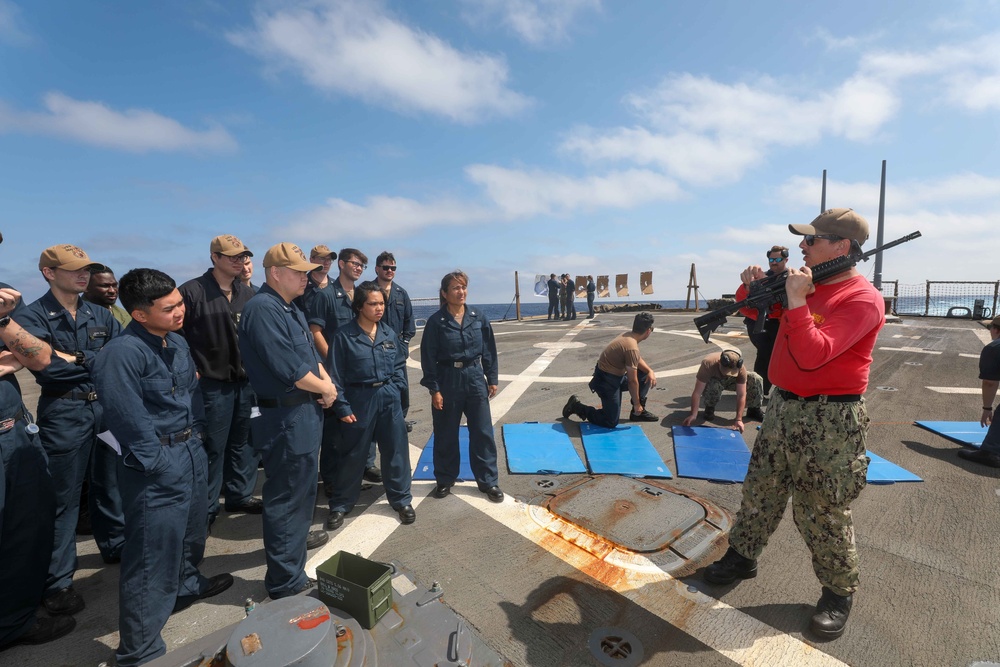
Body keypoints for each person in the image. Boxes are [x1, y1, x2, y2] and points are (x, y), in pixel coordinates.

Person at [703, 208, 885, 641]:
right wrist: (755, 292)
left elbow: (813, 354)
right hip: (783, 406)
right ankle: (743, 556)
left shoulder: (861, 299)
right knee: (761, 488)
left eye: (812, 240)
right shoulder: (806, 286)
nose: (803, 247)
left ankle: (838, 592)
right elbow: (765, 336)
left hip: (830, 418)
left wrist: (799, 301)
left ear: (841, 247)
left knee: (820, 509)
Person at [93, 268, 234, 667]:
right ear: (139, 314)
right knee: (152, 556)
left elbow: (190, 395)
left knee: (192, 532)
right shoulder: (121, 354)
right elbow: (125, 417)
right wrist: (158, 464)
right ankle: (139, 651)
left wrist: (200, 438)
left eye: (180, 303)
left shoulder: (176, 341)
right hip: (157, 462)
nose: (180, 311)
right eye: (169, 307)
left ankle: (186, 585)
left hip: (190, 451)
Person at [19, 244, 124, 615]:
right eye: (74, 269)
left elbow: (118, 357)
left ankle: (115, 545)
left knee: (110, 484)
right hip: (65, 410)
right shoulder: (32, 316)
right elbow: (46, 369)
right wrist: (87, 362)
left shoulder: (100, 312)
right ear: (49, 272)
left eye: (86, 269)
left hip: (105, 409)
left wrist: (76, 358)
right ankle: (58, 582)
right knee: (62, 501)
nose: (84, 275)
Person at [238, 243, 336, 600]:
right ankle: (286, 583)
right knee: (287, 498)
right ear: (276, 273)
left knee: (302, 494)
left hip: (302, 411)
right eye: (298, 272)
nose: (306, 277)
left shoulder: (290, 307)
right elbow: (290, 368)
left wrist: (325, 383)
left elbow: (309, 355)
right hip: (285, 416)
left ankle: (291, 562)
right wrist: (324, 387)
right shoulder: (263, 309)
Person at [0, 271, 72, 648]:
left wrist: (3, 320)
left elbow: (40, 357)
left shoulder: (6, 296)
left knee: (24, 525)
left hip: (12, 432)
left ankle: (13, 620)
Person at [178, 235, 261, 525]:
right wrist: (191, 369)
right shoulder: (191, 292)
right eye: (233, 257)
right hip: (211, 386)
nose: (239, 262)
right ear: (215, 257)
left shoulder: (248, 295)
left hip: (246, 384)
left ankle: (239, 496)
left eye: (243, 257)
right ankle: (208, 507)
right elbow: (172, 336)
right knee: (212, 447)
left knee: (245, 442)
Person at [325, 282, 414, 530]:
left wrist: (395, 389)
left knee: (396, 451)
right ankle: (341, 504)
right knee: (352, 455)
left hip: (387, 397)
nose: (379, 308)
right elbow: (335, 377)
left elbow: (398, 367)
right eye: (373, 304)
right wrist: (342, 408)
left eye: (381, 303)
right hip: (359, 399)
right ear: (359, 307)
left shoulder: (388, 334)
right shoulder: (344, 336)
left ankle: (401, 499)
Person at [419, 271, 504, 503]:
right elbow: (428, 358)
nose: (461, 292)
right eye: (456, 288)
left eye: (464, 287)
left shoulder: (478, 316)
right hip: (448, 379)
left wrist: (492, 377)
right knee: (446, 432)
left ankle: (488, 481)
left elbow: (489, 348)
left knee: (483, 432)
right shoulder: (437, 322)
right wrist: (434, 389)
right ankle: (445, 479)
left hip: (475, 377)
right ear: (445, 294)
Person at [307, 248, 382, 490]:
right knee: (334, 432)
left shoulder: (362, 294)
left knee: (356, 427)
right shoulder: (326, 295)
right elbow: (315, 331)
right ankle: (330, 480)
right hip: (337, 374)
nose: (359, 268)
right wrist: (335, 360)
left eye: (362, 265)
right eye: (355, 263)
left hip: (360, 375)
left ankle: (354, 474)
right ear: (341, 264)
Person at [562, 312, 659, 426]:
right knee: (611, 421)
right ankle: (576, 406)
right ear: (648, 331)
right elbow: (632, 381)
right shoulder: (631, 347)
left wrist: (649, 371)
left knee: (644, 374)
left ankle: (637, 413)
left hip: (614, 376)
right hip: (606, 381)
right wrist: (637, 403)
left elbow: (635, 359)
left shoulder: (628, 336)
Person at [736, 245, 788, 395]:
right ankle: (758, 392)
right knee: (765, 353)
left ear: (786, 259)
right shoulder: (761, 278)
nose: (774, 262)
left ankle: (762, 390)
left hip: (779, 324)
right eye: (771, 259)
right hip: (758, 323)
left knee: (777, 355)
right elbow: (742, 301)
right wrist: (747, 286)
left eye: (778, 259)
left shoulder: (792, 277)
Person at [680, 350, 765, 433]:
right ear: (719, 362)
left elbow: (741, 395)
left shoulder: (740, 368)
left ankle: (754, 409)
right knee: (714, 385)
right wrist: (693, 414)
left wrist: (738, 419)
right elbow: (697, 393)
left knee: (756, 378)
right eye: (726, 371)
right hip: (715, 381)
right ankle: (710, 406)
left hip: (731, 382)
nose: (727, 374)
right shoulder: (708, 364)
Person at [957, 315, 1000, 467]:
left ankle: (991, 452)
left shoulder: (994, 349)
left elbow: (990, 383)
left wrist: (987, 408)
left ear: (995, 330)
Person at [294, 244, 334, 310]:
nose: (326, 263)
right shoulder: (301, 285)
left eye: (329, 259)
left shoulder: (336, 286)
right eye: (322, 258)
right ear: (311, 260)